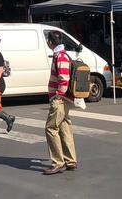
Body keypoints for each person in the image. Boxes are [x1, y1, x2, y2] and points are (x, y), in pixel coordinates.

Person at [44, 30, 77, 175]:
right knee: (64, 127)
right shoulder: (61, 55)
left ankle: (58, 162)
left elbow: (64, 79)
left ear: (50, 42)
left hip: (60, 100)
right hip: (64, 99)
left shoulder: (61, 57)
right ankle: (70, 160)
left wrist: (57, 96)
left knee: (51, 128)